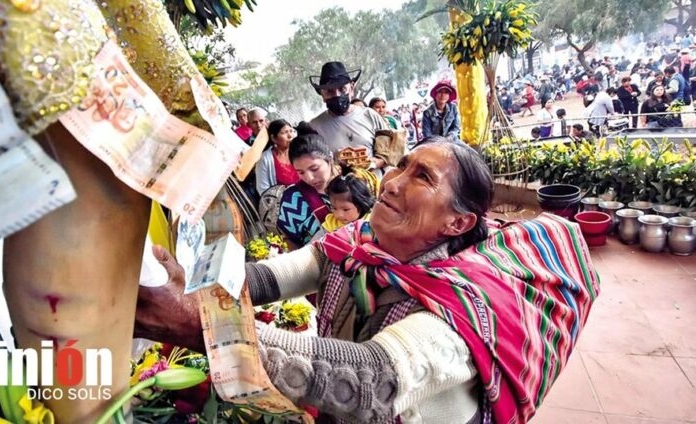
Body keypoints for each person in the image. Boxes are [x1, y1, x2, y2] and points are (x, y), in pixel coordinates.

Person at [135, 138, 598, 423]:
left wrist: (193, 325)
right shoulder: (358, 241)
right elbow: (267, 278)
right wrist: (190, 284)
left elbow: (368, 378)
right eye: (401, 165)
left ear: (458, 223)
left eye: (422, 177)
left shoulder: (464, 305)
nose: (392, 182)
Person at [309, 62, 389, 169]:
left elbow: (391, 152)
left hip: (375, 183)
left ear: (351, 88)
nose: (337, 95)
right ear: (322, 95)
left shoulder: (370, 115)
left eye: (342, 89)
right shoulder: (314, 127)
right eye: (329, 92)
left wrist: (373, 163)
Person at [321, 164, 377, 233]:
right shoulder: (331, 223)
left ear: (361, 204)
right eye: (334, 208)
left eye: (346, 209)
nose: (338, 215)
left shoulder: (372, 221)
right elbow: (316, 242)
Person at [255, 119, 299, 195]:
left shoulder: (298, 151)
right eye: (285, 132)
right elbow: (263, 190)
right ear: (274, 138)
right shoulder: (265, 159)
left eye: (291, 131)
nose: (290, 136)